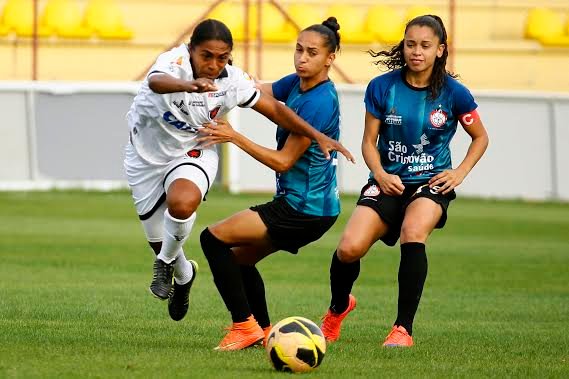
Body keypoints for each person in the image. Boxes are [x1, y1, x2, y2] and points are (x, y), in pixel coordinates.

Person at [123, 19, 353, 322]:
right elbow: (156, 82)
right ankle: (186, 277)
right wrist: (191, 85)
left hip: (202, 154)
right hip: (144, 157)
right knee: (225, 257)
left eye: (223, 58)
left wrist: (316, 134)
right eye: (207, 56)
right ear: (191, 50)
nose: (215, 64)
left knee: (195, 219)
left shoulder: (308, 97)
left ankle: (242, 325)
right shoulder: (173, 62)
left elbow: (277, 118)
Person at [319, 15, 489, 347]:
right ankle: (338, 308)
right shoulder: (382, 87)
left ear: (440, 50)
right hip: (387, 181)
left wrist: (459, 173)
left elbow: (480, 137)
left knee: (413, 232)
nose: (416, 52)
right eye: (410, 44)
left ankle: (402, 329)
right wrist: (380, 174)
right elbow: (369, 142)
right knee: (349, 248)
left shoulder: (455, 94)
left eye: (425, 46)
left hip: (430, 183)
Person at [198, 17, 343, 351]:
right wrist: (229, 75)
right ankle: (262, 330)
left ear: (330, 58)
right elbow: (256, 90)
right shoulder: (298, 83)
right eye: (299, 50)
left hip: (302, 208)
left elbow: (283, 161)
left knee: (213, 239)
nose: (302, 58)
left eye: (312, 53)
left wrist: (234, 136)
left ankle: (244, 326)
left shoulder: (318, 102)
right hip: (310, 207)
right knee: (239, 260)